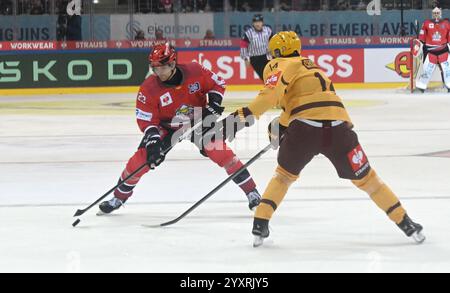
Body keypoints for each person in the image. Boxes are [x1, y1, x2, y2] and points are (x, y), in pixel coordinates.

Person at [211, 31, 425, 247]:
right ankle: (406, 222)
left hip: (304, 128)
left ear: (276, 52)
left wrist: (237, 119)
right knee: (369, 180)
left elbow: (270, 96)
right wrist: (284, 124)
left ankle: (260, 222)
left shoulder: (277, 65)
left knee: (283, 176)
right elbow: (310, 101)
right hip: (339, 126)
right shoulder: (313, 67)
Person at [98, 43, 262, 215]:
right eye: (155, 68)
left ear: (172, 63)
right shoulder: (148, 88)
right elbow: (146, 119)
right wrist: (153, 140)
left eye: (162, 67)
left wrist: (213, 103)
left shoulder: (195, 70)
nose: (159, 72)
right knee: (142, 160)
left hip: (198, 120)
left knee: (222, 153)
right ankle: (118, 197)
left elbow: (218, 83)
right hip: (167, 126)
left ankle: (252, 192)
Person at [415, 7, 450, 92]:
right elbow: (421, 37)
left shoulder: (447, 23)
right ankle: (422, 86)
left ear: (440, 13)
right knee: (427, 69)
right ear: (432, 13)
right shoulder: (426, 23)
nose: (436, 14)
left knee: (447, 69)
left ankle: (449, 85)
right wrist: (418, 45)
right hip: (430, 51)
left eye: (438, 13)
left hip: (443, 49)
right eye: (434, 13)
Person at [240, 14, 273, 81]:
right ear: (253, 23)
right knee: (264, 77)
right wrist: (245, 59)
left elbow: (273, 41)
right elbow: (243, 46)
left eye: (259, 22)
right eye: (256, 22)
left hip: (267, 56)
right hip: (255, 58)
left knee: (272, 75)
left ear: (262, 23)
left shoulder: (268, 30)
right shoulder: (248, 33)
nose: (257, 24)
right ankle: (270, 90)